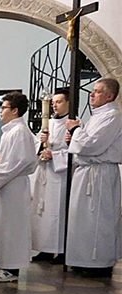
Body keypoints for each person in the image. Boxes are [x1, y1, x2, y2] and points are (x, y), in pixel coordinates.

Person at [65, 78, 122, 277]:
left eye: (97, 91)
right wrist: (74, 137)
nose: (91, 94)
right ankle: (82, 260)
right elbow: (83, 144)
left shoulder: (113, 116)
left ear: (109, 96)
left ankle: (99, 262)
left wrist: (75, 131)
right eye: (92, 90)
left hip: (100, 175)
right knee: (82, 219)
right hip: (86, 172)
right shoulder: (96, 116)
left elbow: (91, 145)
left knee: (97, 219)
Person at [0, 92, 38, 282]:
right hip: (9, 184)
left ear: (14, 111)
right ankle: (4, 265)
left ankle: (11, 270)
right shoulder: (11, 130)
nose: (0, 112)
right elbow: (14, 159)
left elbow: (22, 161)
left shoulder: (19, 131)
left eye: (3, 108)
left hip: (14, 185)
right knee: (6, 225)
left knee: (13, 227)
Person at [31, 88, 70, 264]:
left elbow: (74, 151)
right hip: (46, 172)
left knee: (58, 212)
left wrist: (54, 155)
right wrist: (41, 143)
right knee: (43, 212)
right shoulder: (49, 123)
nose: (54, 105)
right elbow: (37, 148)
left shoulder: (73, 124)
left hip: (59, 176)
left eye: (59, 102)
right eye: (52, 102)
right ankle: (45, 249)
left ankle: (60, 251)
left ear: (68, 102)